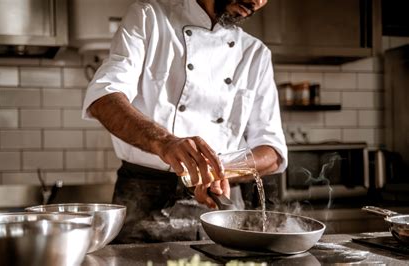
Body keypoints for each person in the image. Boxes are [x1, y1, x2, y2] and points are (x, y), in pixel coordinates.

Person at [82, 0, 287, 243]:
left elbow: (272, 151)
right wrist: (165, 143)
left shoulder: (255, 53)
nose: (257, 1)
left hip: (220, 207)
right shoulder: (151, 18)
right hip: (145, 201)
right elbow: (103, 97)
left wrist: (217, 171)